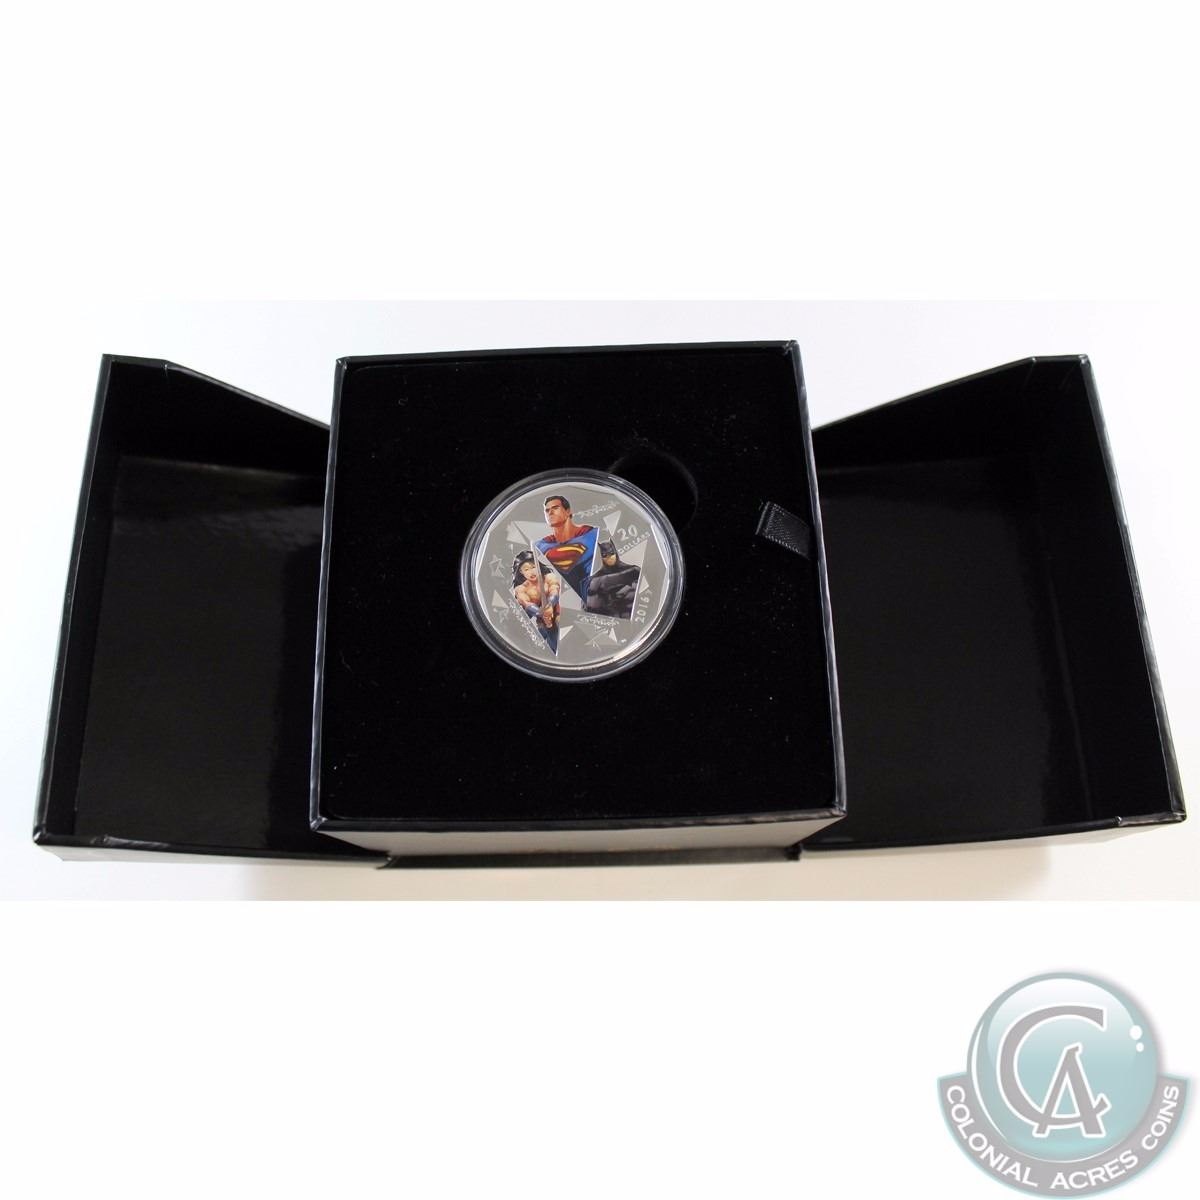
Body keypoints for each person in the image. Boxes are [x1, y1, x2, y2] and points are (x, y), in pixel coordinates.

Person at [536, 494, 598, 602]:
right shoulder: (542, 544)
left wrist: (550, 555)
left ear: (568, 511)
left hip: (600, 593)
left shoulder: (592, 534)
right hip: (568, 602)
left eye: (555, 508)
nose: (550, 512)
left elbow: (568, 555)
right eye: (547, 510)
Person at [512, 550, 560, 651]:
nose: (531, 572)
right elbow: (526, 604)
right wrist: (540, 612)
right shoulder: (521, 589)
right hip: (541, 622)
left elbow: (554, 591)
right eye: (526, 569)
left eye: (533, 567)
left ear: (538, 565)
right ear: (521, 571)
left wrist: (550, 604)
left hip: (557, 615)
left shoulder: (549, 577)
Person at [584, 539, 641, 620]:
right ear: (601, 557)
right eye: (605, 555)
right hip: (615, 620)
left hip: (638, 615)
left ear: (615, 553)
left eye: (611, 554)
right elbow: (592, 611)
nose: (609, 558)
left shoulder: (634, 570)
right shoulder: (596, 581)